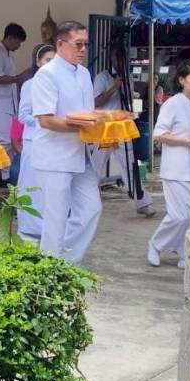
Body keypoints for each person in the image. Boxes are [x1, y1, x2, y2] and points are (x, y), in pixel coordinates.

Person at [30, 21, 103, 264]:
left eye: (86, 45)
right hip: (55, 156)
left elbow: (89, 114)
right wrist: (84, 127)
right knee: (56, 218)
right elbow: (46, 120)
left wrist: (103, 132)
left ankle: (66, 262)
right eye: (78, 44)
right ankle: (50, 270)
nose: (83, 50)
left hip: (81, 153)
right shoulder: (46, 74)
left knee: (91, 210)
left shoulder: (83, 73)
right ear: (60, 44)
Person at [147, 59, 190, 267]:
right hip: (174, 168)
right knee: (179, 215)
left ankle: (182, 250)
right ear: (182, 80)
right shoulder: (171, 104)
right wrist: (186, 142)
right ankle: (156, 244)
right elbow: (158, 134)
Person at [92, 43, 153, 217]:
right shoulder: (102, 78)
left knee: (129, 162)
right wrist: (114, 87)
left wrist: (124, 86)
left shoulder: (128, 77)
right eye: (116, 58)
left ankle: (141, 200)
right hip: (104, 127)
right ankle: (88, 200)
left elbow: (127, 100)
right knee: (96, 164)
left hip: (121, 126)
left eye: (122, 59)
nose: (119, 62)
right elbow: (96, 102)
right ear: (111, 58)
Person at [15, 43, 56, 242]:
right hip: (33, 140)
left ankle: (47, 227)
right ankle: (29, 226)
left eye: (54, 61)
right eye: (47, 60)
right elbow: (23, 115)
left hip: (53, 141)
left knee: (48, 186)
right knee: (31, 185)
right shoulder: (29, 85)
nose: (50, 64)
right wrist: (44, 122)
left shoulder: (57, 83)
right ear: (38, 62)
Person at [0, 22, 28, 181]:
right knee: (6, 140)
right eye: (18, 42)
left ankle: (5, 176)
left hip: (9, 104)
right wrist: (18, 79)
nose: (19, 46)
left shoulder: (8, 54)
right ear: (10, 38)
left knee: (10, 140)